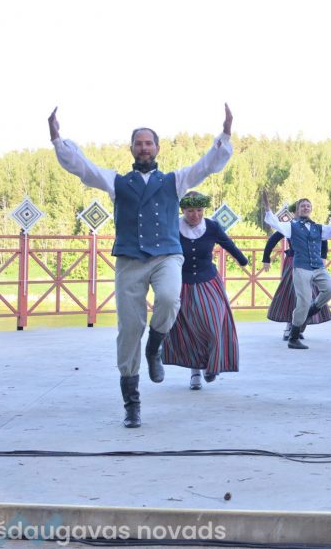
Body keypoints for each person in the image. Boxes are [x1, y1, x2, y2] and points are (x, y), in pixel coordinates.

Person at [48, 105, 233, 428]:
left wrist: (226, 134)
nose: (144, 148)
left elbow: (206, 166)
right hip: (130, 259)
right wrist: (57, 139)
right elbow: (84, 169)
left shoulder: (175, 180)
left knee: (169, 298)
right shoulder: (117, 181)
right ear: (131, 148)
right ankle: (131, 403)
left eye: (149, 143)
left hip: (166, 255)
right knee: (130, 329)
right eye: (139, 143)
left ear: (157, 148)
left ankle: (155, 346)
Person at [165, 191, 249, 390]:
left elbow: (228, 243)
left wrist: (242, 260)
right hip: (182, 283)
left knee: (213, 323)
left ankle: (211, 366)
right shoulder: (172, 227)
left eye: (199, 210)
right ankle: (195, 372)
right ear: (183, 210)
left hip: (208, 281)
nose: (195, 214)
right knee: (190, 329)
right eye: (190, 211)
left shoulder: (211, 226)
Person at [260, 196, 331, 349]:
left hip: (317, 267)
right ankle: (293, 336)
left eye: (308, 206)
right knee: (300, 300)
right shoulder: (291, 226)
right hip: (300, 266)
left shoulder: (317, 228)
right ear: (297, 210)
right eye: (302, 206)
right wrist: (268, 209)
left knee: (330, 289)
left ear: (311, 209)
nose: (305, 208)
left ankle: (311, 311)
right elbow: (275, 228)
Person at [263, 219, 331, 341]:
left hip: (311, 263)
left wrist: (323, 257)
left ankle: (298, 328)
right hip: (293, 262)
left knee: (308, 296)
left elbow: (323, 239)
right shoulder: (290, 226)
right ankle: (289, 327)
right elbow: (273, 239)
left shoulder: (313, 226)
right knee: (292, 294)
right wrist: (266, 258)